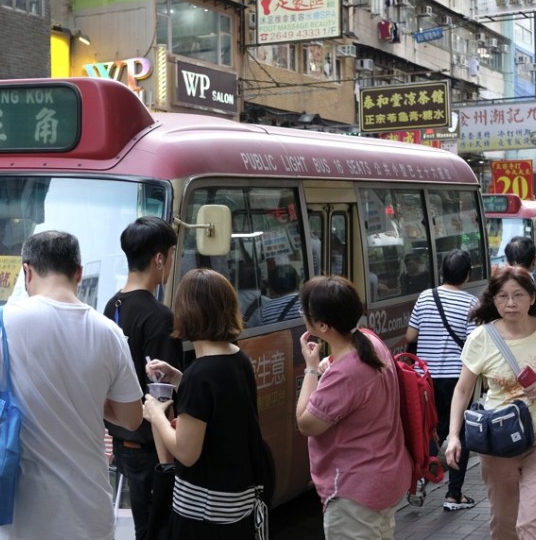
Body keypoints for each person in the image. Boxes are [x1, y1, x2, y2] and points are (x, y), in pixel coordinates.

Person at [0, 231, 143, 540]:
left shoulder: (2, 321)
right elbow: (131, 418)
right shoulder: (109, 332)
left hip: (24, 514)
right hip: (90, 510)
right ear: (79, 273)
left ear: (26, 271)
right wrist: (88, 398)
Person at [445, 266, 536, 540]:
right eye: (502, 296)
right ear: (493, 300)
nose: (511, 303)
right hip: (498, 443)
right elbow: (463, 389)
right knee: (504, 525)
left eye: (518, 295)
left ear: (532, 298)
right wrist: (454, 436)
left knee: (531, 524)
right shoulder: (481, 337)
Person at [143, 269, 268, 540]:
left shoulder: (200, 374)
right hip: (237, 505)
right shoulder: (238, 358)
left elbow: (186, 452)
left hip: (203, 513)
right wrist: (178, 377)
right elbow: (220, 406)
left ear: (188, 313)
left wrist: (156, 415)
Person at [295, 275, 412, 540]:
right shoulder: (370, 341)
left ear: (322, 325)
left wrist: (312, 368)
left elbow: (306, 423)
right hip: (385, 477)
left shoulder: (347, 372)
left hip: (355, 491)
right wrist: (329, 363)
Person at [103, 217, 184, 540]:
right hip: (153, 449)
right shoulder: (159, 317)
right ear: (159, 259)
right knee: (157, 531)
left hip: (122, 443)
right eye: (172, 255)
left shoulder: (111, 306)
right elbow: (164, 397)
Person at [404, 249, 479, 511]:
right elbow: (473, 345)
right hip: (457, 380)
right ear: (467, 274)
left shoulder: (425, 297)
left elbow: (411, 335)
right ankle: (453, 494)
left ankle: (419, 482)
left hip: (426, 379)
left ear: (442, 271)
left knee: (428, 431)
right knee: (458, 433)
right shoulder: (471, 303)